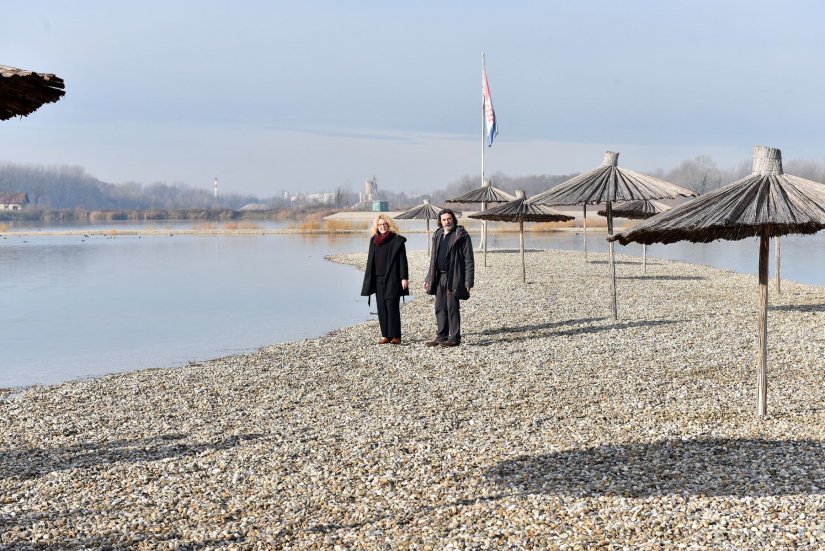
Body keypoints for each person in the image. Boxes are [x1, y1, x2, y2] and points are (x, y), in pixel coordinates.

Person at [423, 208, 474, 347]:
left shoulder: (461, 235)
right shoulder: (438, 234)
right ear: (440, 221)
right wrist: (428, 278)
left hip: (454, 276)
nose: (447, 222)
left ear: (453, 219)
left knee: (452, 307)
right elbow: (433, 259)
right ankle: (441, 336)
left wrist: (469, 281)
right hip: (439, 276)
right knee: (439, 307)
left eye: (449, 219)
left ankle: (454, 338)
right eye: (444, 219)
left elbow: (469, 259)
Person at [361, 214, 409, 344]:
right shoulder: (374, 240)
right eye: (380, 224)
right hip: (378, 279)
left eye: (384, 223)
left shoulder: (397, 240)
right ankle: (386, 335)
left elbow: (402, 260)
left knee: (392, 305)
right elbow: (371, 260)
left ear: (389, 224)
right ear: (377, 226)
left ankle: (396, 336)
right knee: (381, 306)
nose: (382, 226)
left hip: (393, 278)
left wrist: (404, 277)